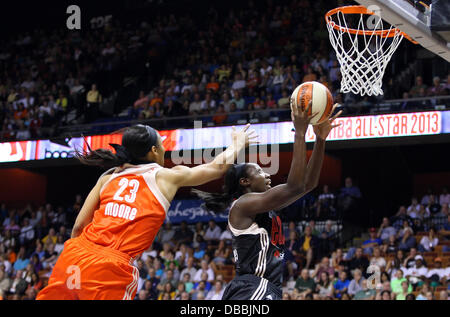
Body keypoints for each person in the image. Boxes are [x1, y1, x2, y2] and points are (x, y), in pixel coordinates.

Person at [36, 124, 257, 300]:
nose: (163, 149)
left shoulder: (109, 176)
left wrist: (79, 259)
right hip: (110, 265)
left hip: (74, 255)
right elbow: (216, 168)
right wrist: (237, 144)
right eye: (161, 145)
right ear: (153, 150)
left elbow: (78, 227)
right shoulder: (165, 176)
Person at [194, 102, 342, 300]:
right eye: (260, 171)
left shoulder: (264, 207)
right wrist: (299, 132)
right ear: (245, 182)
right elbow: (295, 186)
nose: (267, 176)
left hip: (263, 288)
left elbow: (308, 185)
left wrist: (320, 139)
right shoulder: (243, 205)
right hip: (253, 287)